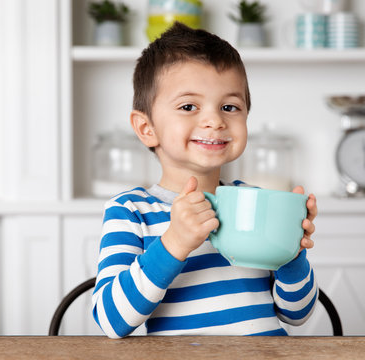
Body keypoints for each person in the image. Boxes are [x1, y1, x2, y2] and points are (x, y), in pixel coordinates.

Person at [92, 22, 318, 338]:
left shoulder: (254, 202)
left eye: (229, 106)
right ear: (147, 128)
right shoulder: (131, 210)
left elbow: (297, 314)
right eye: (188, 106)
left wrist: (290, 253)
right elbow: (110, 320)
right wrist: (174, 243)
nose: (214, 120)